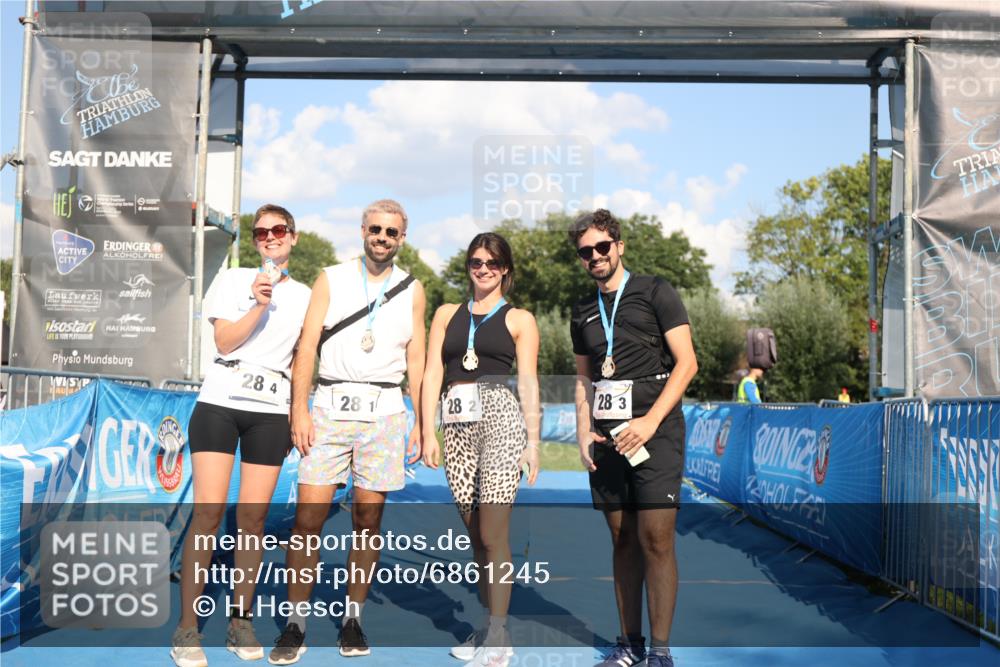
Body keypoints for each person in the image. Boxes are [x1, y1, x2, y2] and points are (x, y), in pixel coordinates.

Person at [269, 199, 426, 664]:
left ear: (402, 237)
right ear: (362, 230)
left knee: (368, 522)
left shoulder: (412, 288)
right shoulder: (332, 277)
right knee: (307, 522)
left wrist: (420, 420)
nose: (382, 237)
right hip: (330, 408)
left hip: (384, 413)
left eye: (391, 232)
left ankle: (352, 617)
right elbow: (307, 345)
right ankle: (296, 622)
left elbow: (416, 357)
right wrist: (300, 409)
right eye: (375, 229)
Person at [172, 204, 311, 667]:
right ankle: (187, 629)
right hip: (220, 402)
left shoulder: (309, 296)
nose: (269, 237)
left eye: (278, 230)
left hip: (270, 410)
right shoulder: (234, 280)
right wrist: (259, 302)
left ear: (293, 237)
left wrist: (299, 412)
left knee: (252, 523)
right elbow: (225, 341)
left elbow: (302, 360)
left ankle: (240, 620)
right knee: (208, 515)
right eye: (260, 232)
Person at [569, 209, 697, 667]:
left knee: (656, 538)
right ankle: (629, 644)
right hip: (606, 438)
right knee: (621, 539)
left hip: (654, 432)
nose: (595, 256)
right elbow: (585, 379)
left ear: (619, 246)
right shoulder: (582, 309)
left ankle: (660, 652)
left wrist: (649, 421)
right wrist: (583, 430)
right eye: (586, 251)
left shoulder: (655, 291)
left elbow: (687, 364)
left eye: (603, 247)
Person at [421, 232, 540, 667]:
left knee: (493, 533)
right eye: (476, 262)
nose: (483, 269)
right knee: (475, 535)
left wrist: (533, 442)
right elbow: (433, 371)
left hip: (500, 420)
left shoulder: (519, 319)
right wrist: (427, 429)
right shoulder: (446, 314)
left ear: (505, 269)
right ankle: (489, 623)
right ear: (467, 266)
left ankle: (499, 634)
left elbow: (527, 381)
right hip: (455, 424)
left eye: (492, 263)